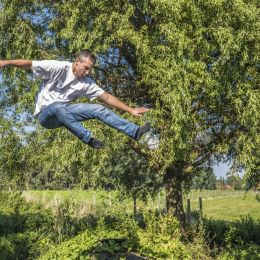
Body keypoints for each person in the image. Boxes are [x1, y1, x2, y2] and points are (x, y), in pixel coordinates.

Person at [0, 49, 150, 149]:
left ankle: (134, 131)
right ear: (77, 62)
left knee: (98, 109)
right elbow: (30, 64)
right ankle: (88, 139)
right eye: (85, 67)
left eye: (90, 69)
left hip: (65, 114)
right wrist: (5, 63)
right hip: (46, 116)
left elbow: (107, 97)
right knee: (58, 106)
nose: (87, 72)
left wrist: (131, 110)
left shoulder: (86, 83)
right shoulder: (58, 67)